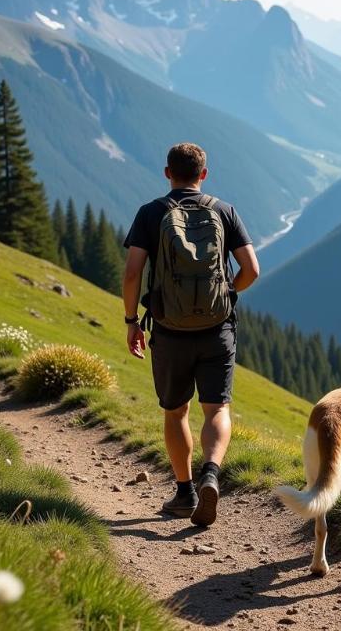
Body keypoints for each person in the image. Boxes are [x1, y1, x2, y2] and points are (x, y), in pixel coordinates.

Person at [122, 142, 260, 526]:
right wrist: (227, 293)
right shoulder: (223, 211)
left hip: (169, 330)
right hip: (217, 329)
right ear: (204, 175)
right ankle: (211, 474)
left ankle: (184, 492)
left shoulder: (151, 213)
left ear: (168, 173)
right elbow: (251, 270)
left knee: (175, 411)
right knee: (216, 409)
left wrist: (132, 321)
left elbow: (133, 273)